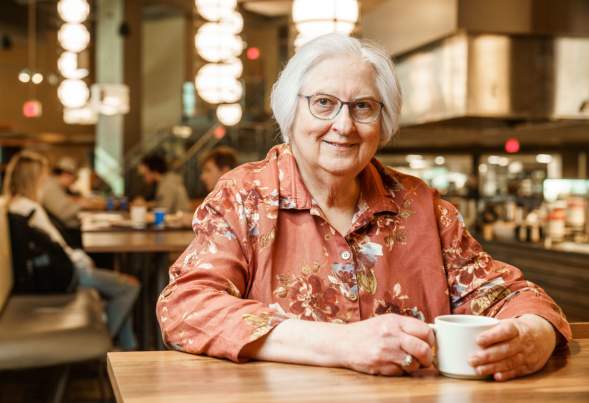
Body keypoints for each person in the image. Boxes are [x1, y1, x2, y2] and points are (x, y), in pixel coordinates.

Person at [156, 34, 571, 381]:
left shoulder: (420, 204)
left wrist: (535, 334)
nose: (343, 125)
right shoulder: (244, 196)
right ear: (290, 109)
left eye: (363, 107)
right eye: (323, 103)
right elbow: (186, 307)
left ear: (383, 123)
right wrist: (342, 343)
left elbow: (510, 294)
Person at [4, 151, 140, 350]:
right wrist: (82, 259)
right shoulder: (30, 209)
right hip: (68, 273)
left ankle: (128, 347)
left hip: (55, 272)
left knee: (119, 287)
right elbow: (59, 248)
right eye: (43, 177)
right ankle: (104, 346)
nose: (47, 182)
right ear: (33, 179)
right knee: (130, 286)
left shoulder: (15, 206)